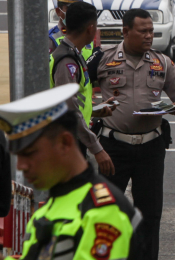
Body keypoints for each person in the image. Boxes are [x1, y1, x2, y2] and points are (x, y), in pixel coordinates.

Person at [0, 85, 144, 259]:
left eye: (29, 154)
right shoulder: (47, 210)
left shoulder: (102, 212)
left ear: (65, 142)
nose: (21, 165)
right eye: (17, 156)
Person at [91, 8, 175, 260]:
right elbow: (77, 94)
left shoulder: (162, 62)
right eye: (143, 31)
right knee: (106, 213)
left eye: (151, 31)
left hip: (151, 148)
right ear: (125, 32)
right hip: (112, 148)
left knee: (150, 215)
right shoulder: (102, 59)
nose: (149, 36)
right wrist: (94, 110)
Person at [50, 1, 117, 175]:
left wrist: (94, 110)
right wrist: (97, 148)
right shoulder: (67, 61)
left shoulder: (72, 54)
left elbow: (71, 102)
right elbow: (69, 111)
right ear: (90, 28)